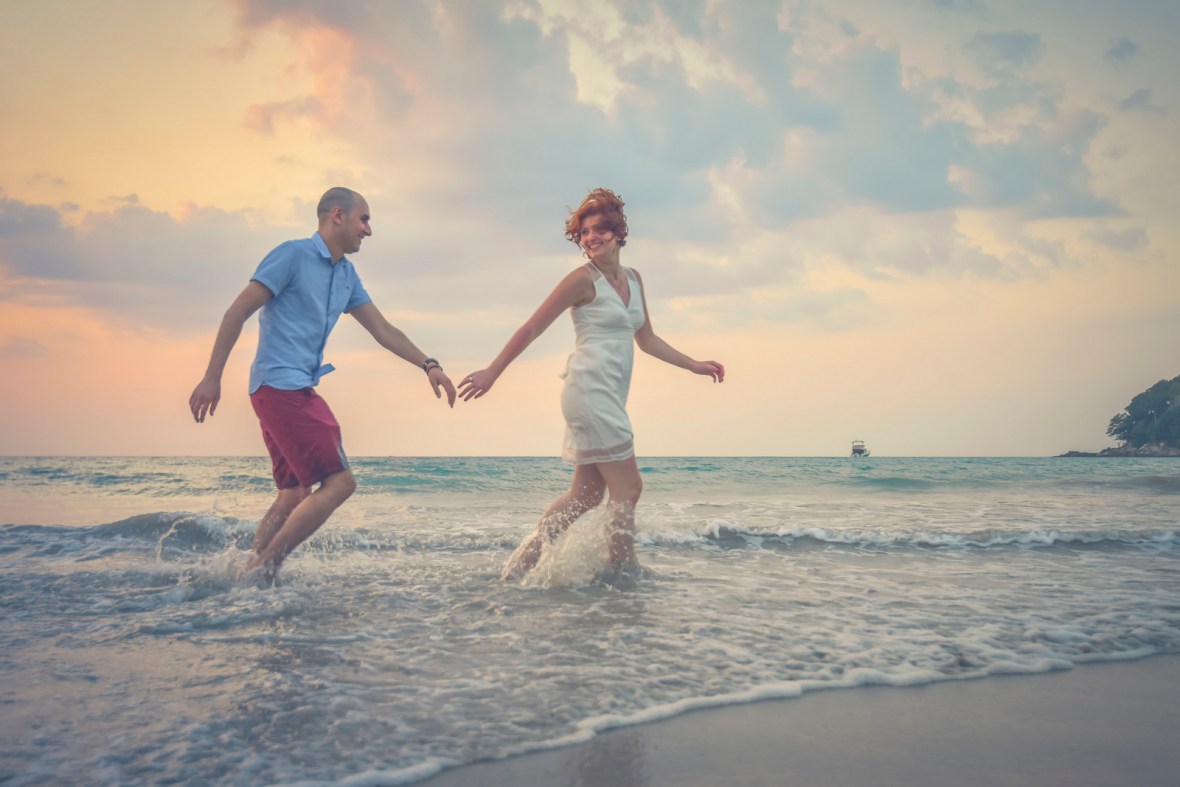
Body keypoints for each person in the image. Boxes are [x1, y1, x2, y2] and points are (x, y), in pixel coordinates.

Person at [189, 187, 456, 584]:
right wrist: (212, 377)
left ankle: (244, 574)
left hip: (287, 389)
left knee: (293, 493)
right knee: (341, 483)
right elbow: (238, 311)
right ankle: (264, 570)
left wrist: (428, 364)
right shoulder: (292, 255)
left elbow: (383, 329)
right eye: (364, 219)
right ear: (337, 215)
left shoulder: (346, 274)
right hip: (281, 386)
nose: (368, 230)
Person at [458, 188, 724, 586]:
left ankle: (518, 567)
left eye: (600, 229)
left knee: (584, 497)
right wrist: (493, 371)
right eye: (584, 233)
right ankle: (621, 574)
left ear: (618, 232)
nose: (591, 238)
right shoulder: (581, 281)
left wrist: (693, 365)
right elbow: (532, 327)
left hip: (610, 395)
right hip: (588, 391)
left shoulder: (634, 279)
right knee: (629, 487)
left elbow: (646, 338)